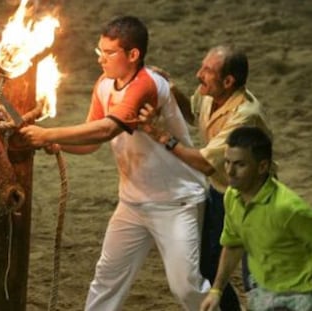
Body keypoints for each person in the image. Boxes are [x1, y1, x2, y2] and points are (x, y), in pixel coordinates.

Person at [19, 15, 213, 311]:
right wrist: (56, 143)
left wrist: (47, 132)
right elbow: (92, 141)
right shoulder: (105, 84)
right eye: (100, 51)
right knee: (106, 280)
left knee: (186, 287)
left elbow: (108, 128)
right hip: (133, 204)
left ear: (133, 55)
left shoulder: (146, 84)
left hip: (176, 202)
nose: (101, 59)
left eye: (109, 53)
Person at [139, 45, 274, 310]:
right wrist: (173, 88)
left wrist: (161, 136)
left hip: (255, 200)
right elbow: (193, 114)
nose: (199, 74)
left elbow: (204, 163)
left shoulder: (245, 115)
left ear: (228, 81)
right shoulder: (212, 96)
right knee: (209, 266)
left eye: (207, 70)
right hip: (222, 192)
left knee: (256, 277)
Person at [200, 126, 312, 311]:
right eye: (227, 162)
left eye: (240, 164)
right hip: (263, 293)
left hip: (301, 296)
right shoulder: (231, 197)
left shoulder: (288, 209)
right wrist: (216, 291)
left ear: (262, 167)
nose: (229, 171)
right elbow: (233, 243)